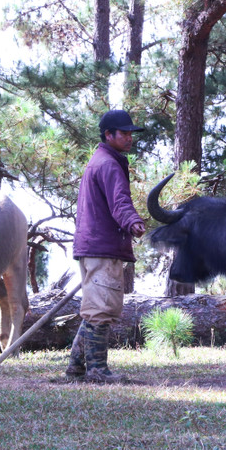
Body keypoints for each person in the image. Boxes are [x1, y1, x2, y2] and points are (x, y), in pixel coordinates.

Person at [67, 109, 147, 383]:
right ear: (108, 135)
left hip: (94, 246)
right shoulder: (109, 164)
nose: (129, 138)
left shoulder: (101, 160)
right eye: (123, 133)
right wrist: (133, 222)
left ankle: (76, 369)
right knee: (101, 310)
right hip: (102, 247)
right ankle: (97, 371)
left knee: (94, 308)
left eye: (130, 133)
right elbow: (120, 202)